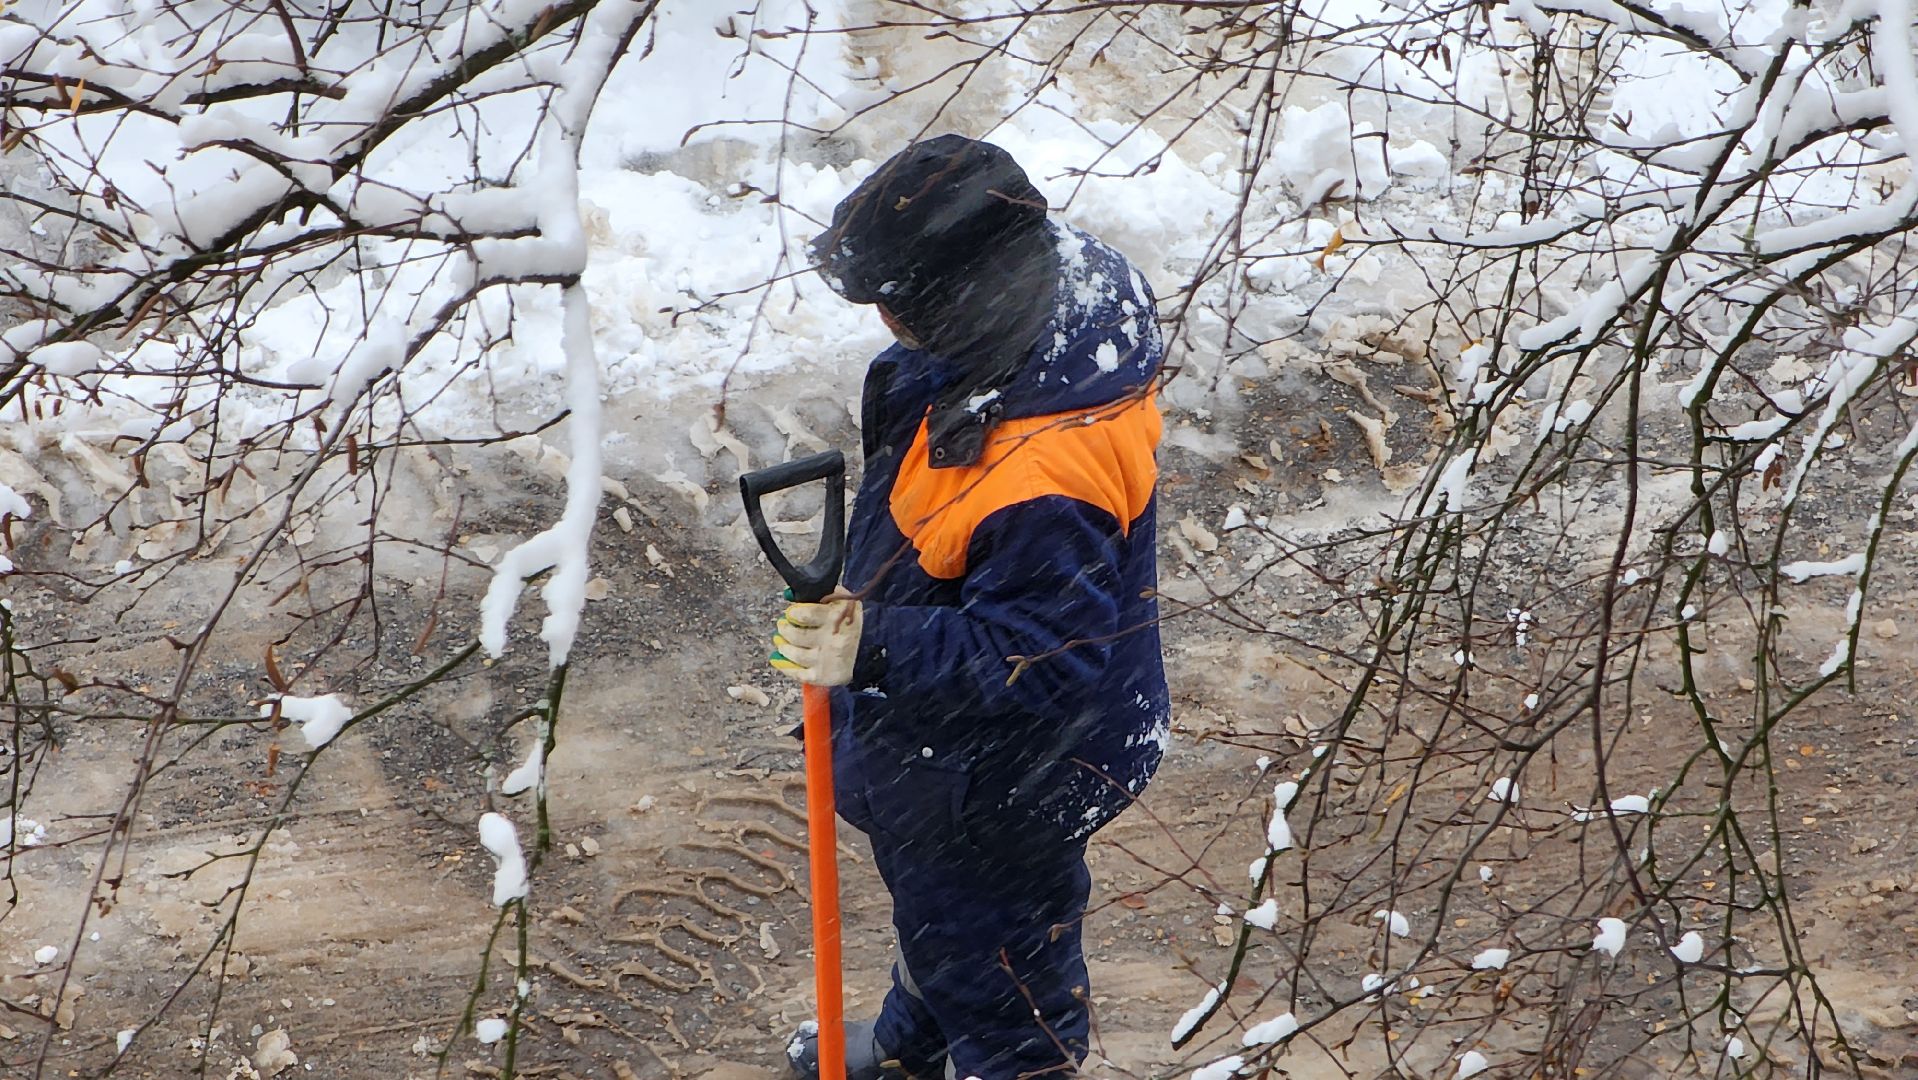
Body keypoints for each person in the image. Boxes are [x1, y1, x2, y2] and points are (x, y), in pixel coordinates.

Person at [766, 135, 1170, 1080]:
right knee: (947, 924)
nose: (886, 322)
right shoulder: (1029, 314)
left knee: (1000, 967)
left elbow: (1041, 654)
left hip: (1008, 772)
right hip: (968, 748)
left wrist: (872, 642)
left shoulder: (1042, 469)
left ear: (954, 292)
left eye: (895, 302)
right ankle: (917, 1045)